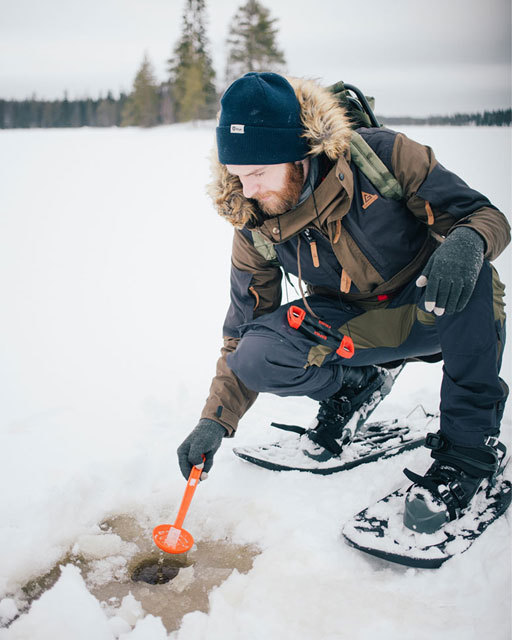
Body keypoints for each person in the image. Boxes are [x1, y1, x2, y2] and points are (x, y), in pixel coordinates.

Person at [177, 72, 509, 533]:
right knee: (257, 353)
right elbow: (241, 328)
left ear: (298, 155)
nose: (247, 189)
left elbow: (484, 215)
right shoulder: (254, 221)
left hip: (432, 311)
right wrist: (215, 418)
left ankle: (469, 453)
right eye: (236, 175)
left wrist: (469, 239)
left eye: (257, 174)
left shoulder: (384, 157)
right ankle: (355, 386)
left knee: (468, 274)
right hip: (354, 329)